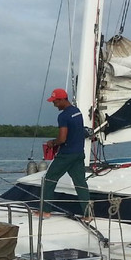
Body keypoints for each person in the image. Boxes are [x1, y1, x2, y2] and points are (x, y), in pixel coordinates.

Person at [40, 88, 91, 219]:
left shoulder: (63, 116)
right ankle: (88, 214)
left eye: (55, 101)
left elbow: (62, 139)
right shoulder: (77, 112)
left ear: (62, 99)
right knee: (80, 183)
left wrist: (53, 142)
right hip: (79, 153)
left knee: (49, 180)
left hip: (66, 154)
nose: (54, 104)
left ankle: (45, 211)